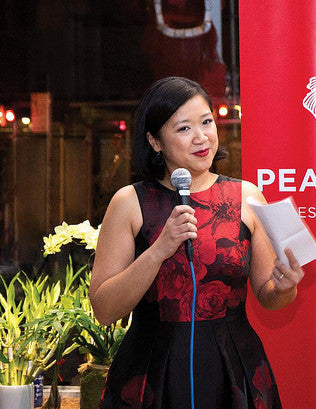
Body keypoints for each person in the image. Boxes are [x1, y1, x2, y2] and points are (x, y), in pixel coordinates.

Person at [90, 76, 304, 409]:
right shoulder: (129, 202)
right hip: (152, 370)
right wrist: (160, 250)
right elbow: (104, 310)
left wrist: (285, 286)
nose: (202, 138)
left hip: (231, 366)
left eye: (206, 122)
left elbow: (270, 297)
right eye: (184, 128)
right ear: (155, 141)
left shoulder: (247, 197)